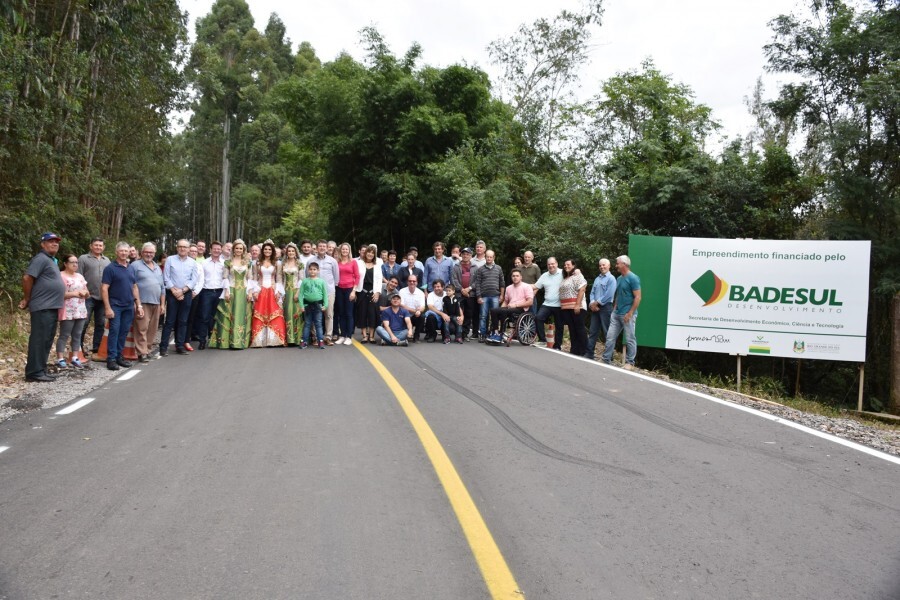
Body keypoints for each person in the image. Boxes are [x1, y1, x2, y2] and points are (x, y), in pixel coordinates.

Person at [21, 232, 66, 382]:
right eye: (50, 241)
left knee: (46, 339)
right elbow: (27, 277)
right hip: (42, 306)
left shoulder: (50, 260)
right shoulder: (40, 259)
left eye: (56, 242)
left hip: (51, 307)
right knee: (39, 340)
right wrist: (27, 298)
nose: (54, 244)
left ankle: (40, 369)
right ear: (43, 244)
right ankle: (34, 372)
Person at [101, 241, 143, 370]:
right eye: (121, 251)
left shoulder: (130, 267)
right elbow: (104, 289)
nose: (124, 253)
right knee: (114, 331)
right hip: (115, 305)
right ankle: (111, 358)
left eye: (126, 251)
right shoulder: (110, 268)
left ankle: (119, 356)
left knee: (124, 332)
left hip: (129, 305)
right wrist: (107, 307)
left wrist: (139, 304)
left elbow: (134, 286)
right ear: (116, 252)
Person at [209, 239, 253, 350]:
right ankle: (226, 342)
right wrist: (227, 291)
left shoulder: (248, 262)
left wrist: (250, 292)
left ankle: (239, 341)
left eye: (241, 248)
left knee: (241, 315)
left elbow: (250, 278)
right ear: (233, 249)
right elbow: (225, 277)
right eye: (237, 248)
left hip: (243, 291)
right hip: (232, 290)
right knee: (229, 314)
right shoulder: (228, 262)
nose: (238, 250)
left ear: (243, 250)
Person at [602, 255, 642, 369]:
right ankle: (606, 359)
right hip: (617, 314)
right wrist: (615, 308)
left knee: (630, 338)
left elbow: (638, 297)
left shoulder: (633, 278)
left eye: (617, 263)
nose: (616, 266)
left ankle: (630, 362)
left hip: (628, 315)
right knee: (610, 337)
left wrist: (630, 313)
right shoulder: (619, 278)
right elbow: (619, 295)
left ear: (624, 264)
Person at [161, 239, 199, 356]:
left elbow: (194, 279)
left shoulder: (193, 262)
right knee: (170, 321)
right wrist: (174, 290)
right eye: (180, 246)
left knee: (183, 320)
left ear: (188, 249)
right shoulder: (170, 260)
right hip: (172, 293)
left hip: (186, 293)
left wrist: (183, 290)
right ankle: (163, 347)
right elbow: (166, 277)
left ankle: (180, 345)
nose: (182, 249)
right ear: (177, 248)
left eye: (185, 247)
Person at [129, 242, 165, 362]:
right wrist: (136, 303)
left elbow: (162, 287)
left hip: (156, 302)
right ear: (142, 252)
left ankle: (148, 349)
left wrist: (163, 304)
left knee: (152, 329)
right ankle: (142, 352)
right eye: (146, 252)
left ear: (154, 254)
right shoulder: (135, 265)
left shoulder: (157, 267)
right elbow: (132, 285)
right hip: (142, 302)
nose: (149, 254)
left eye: (151, 252)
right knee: (141, 328)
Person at [54, 254, 89, 369]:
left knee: (77, 334)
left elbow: (87, 292)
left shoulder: (79, 276)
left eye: (76, 262)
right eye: (72, 262)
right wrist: (74, 294)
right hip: (67, 309)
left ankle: (75, 356)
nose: (75, 264)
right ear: (65, 264)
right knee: (64, 334)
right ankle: (60, 357)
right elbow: (59, 294)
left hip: (80, 308)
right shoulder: (61, 276)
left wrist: (85, 293)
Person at [250, 240, 286, 347]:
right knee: (260, 313)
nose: (267, 251)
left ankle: (274, 340)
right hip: (261, 290)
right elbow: (255, 278)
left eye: (270, 249)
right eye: (265, 249)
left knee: (274, 313)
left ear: (273, 251)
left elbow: (279, 278)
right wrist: (255, 291)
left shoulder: (277, 263)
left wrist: (279, 291)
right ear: (262, 250)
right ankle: (259, 341)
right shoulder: (257, 263)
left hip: (272, 289)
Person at [78, 237, 110, 355]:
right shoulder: (83, 258)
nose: (98, 247)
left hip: (102, 297)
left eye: (100, 245)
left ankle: (97, 347)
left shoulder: (107, 260)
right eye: (96, 245)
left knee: (100, 323)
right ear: (90, 246)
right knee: (84, 323)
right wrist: (83, 291)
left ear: (103, 247)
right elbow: (78, 276)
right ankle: (78, 348)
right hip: (88, 296)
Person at [486, 268, 534, 343]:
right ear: (511, 277)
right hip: (509, 308)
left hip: (521, 309)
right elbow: (505, 301)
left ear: (521, 277)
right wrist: (499, 309)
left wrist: (516, 305)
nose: (515, 277)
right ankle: (495, 332)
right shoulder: (508, 288)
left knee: (504, 311)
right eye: (513, 276)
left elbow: (530, 302)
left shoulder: (527, 287)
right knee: (493, 310)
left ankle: (502, 333)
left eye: (517, 276)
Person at [195, 241, 225, 349]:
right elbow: (199, 279)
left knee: (217, 316)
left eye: (218, 249)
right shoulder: (204, 263)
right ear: (210, 250)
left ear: (221, 250)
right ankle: (202, 340)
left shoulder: (224, 263)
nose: (216, 251)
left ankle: (214, 339)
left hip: (220, 292)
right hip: (206, 292)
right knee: (204, 316)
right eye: (214, 249)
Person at [309, 239, 340, 345]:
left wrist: (331, 288)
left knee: (329, 315)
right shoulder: (311, 261)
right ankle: (315, 337)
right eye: (320, 246)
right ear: (317, 248)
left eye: (324, 246)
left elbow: (336, 277)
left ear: (327, 248)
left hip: (329, 291)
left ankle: (328, 336)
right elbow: (307, 275)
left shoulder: (332, 261)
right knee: (314, 314)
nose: (322, 248)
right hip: (314, 293)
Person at [585, 258, 617, 359]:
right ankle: (589, 353)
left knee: (607, 332)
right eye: (600, 265)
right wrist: (591, 303)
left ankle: (609, 356)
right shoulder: (597, 279)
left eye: (604, 265)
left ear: (609, 266)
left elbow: (609, 294)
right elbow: (592, 293)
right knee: (593, 331)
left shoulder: (611, 279)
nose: (602, 267)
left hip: (606, 307)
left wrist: (596, 303)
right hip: (595, 308)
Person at [472, 249, 505, 342]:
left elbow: (502, 283)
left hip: (495, 296)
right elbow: (477, 283)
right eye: (487, 256)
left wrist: (502, 295)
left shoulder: (498, 268)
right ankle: (482, 334)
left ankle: (493, 332)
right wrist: (478, 296)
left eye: (491, 257)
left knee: (495, 316)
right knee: (483, 316)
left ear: (494, 257)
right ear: (485, 257)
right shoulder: (480, 269)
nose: (489, 258)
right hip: (484, 296)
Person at [559, 259, 588, 356]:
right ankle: (575, 350)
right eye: (565, 265)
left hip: (577, 306)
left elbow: (582, 288)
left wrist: (577, 305)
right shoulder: (565, 278)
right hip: (566, 308)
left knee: (580, 328)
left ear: (573, 265)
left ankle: (584, 351)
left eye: (568, 264)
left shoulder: (577, 275)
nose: (566, 266)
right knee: (572, 329)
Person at [532, 257, 563, 349]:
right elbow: (535, 286)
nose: (551, 266)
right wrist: (522, 285)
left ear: (557, 263)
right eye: (549, 264)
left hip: (559, 305)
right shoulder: (545, 275)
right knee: (538, 318)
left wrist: (577, 271)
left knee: (559, 326)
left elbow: (573, 274)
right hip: (547, 304)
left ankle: (557, 346)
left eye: (552, 264)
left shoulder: (563, 273)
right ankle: (542, 340)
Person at [355, 244, 383, 343]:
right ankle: (364, 336)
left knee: (372, 314)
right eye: (369, 252)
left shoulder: (377, 265)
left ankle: (371, 336)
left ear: (374, 255)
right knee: (362, 313)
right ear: (365, 253)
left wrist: (378, 293)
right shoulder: (359, 263)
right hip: (362, 291)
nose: (370, 254)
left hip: (373, 291)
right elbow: (356, 277)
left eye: (372, 253)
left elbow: (379, 280)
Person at [299, 261, 328, 349]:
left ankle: (320, 341)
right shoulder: (305, 281)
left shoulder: (322, 281)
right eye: (311, 269)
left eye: (314, 269)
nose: (312, 271)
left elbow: (325, 294)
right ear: (308, 270)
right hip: (307, 305)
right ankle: (304, 341)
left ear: (318, 271)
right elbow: (301, 294)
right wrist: (301, 306)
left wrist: (325, 305)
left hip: (318, 306)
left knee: (318, 324)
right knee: (307, 323)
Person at [451, 247, 478, 339]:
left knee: (468, 314)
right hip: (459, 294)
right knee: (459, 314)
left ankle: (465, 333)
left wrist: (469, 289)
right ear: (461, 255)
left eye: (467, 254)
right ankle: (458, 332)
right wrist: (462, 289)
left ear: (471, 256)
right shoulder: (456, 266)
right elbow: (454, 280)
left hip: (470, 295)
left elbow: (477, 281)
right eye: (463, 254)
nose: (465, 255)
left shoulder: (475, 267)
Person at [335, 242, 359, 345]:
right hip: (339, 289)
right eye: (343, 249)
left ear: (349, 251)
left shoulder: (353, 262)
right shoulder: (337, 262)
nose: (345, 251)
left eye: (346, 249)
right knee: (341, 313)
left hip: (350, 289)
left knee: (349, 313)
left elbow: (357, 276)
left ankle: (349, 336)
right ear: (340, 251)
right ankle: (342, 335)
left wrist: (354, 291)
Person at [281, 243, 305, 346]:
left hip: (296, 290)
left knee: (296, 313)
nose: (291, 253)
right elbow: (281, 279)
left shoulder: (299, 264)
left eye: (292, 251)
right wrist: (281, 292)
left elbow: (302, 279)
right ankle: (288, 338)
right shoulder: (283, 264)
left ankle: (297, 338)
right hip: (286, 291)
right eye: (289, 251)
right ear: (286, 253)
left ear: (296, 252)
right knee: (286, 312)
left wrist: (298, 293)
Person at [399, 274, 426, 341]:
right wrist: (415, 311)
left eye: (414, 281)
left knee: (422, 316)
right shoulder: (402, 291)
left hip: (415, 316)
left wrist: (419, 311)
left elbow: (423, 306)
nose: (412, 282)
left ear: (417, 282)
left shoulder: (420, 293)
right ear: (407, 282)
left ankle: (416, 336)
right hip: (403, 316)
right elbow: (401, 305)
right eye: (410, 281)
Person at [424, 279, 452, 343]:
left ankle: (445, 335)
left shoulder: (447, 294)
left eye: (438, 286)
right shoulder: (431, 295)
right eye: (435, 287)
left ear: (443, 287)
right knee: (430, 317)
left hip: (445, 314)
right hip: (435, 314)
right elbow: (430, 306)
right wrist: (441, 314)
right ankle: (432, 335)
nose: (436, 288)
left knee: (450, 323)